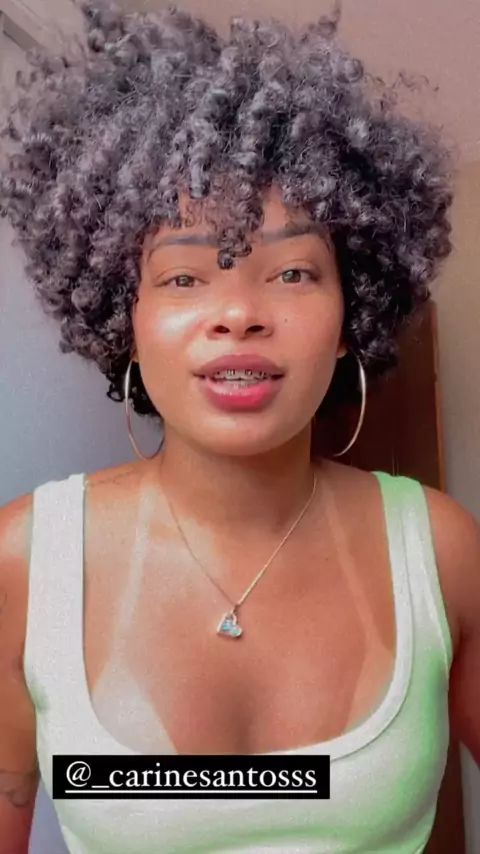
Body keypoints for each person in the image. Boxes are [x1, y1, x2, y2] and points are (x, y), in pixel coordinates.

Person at [0, 1, 479, 852]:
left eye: (293, 272)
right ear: (123, 316)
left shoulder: (439, 550)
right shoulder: (27, 562)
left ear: (351, 316)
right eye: (184, 278)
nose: (239, 314)